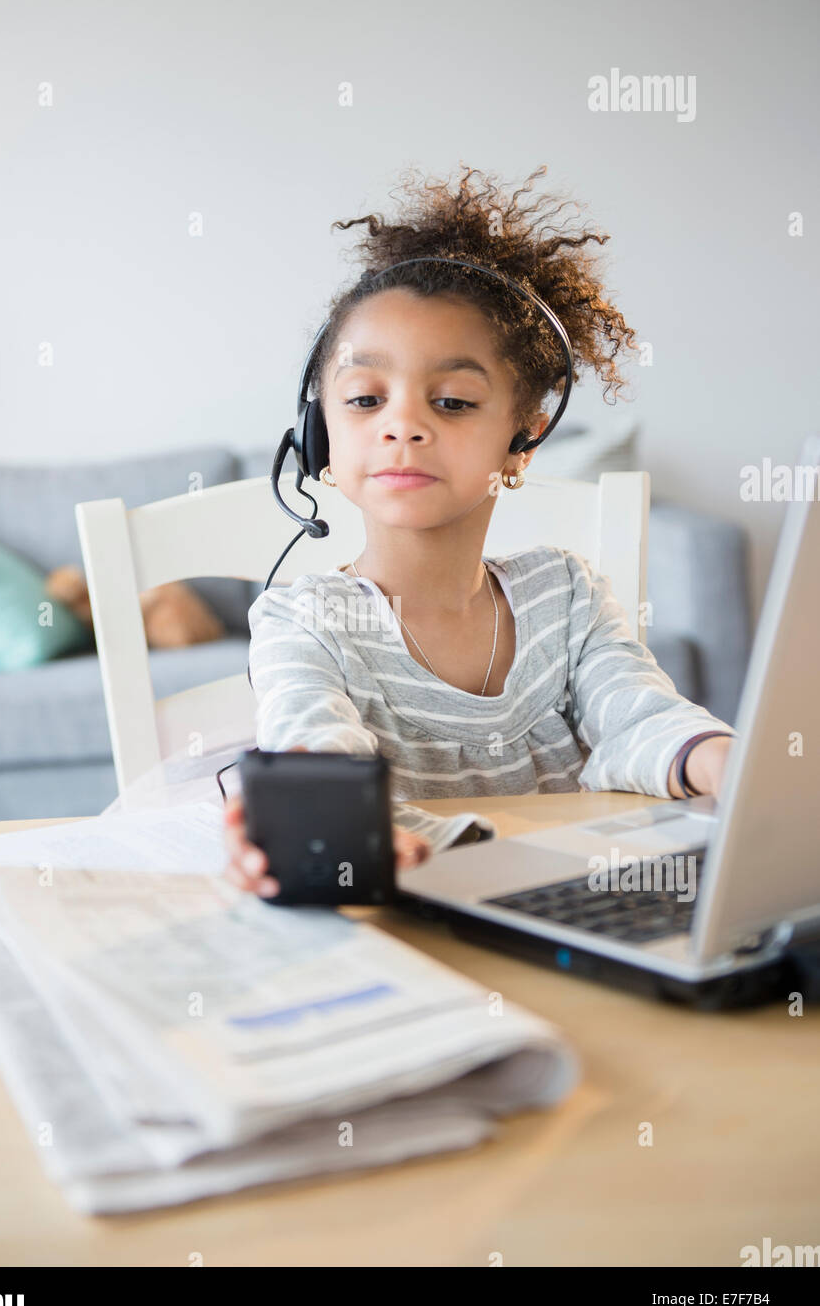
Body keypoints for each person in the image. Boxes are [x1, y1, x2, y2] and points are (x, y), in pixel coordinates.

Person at [223, 163, 736, 897]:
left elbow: (640, 720)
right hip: (411, 919)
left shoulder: (564, 595)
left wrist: (724, 759)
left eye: (454, 402)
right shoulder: (301, 621)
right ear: (318, 437)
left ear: (521, 440)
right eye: (365, 398)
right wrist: (336, 816)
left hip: (572, 910)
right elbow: (314, 743)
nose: (402, 424)